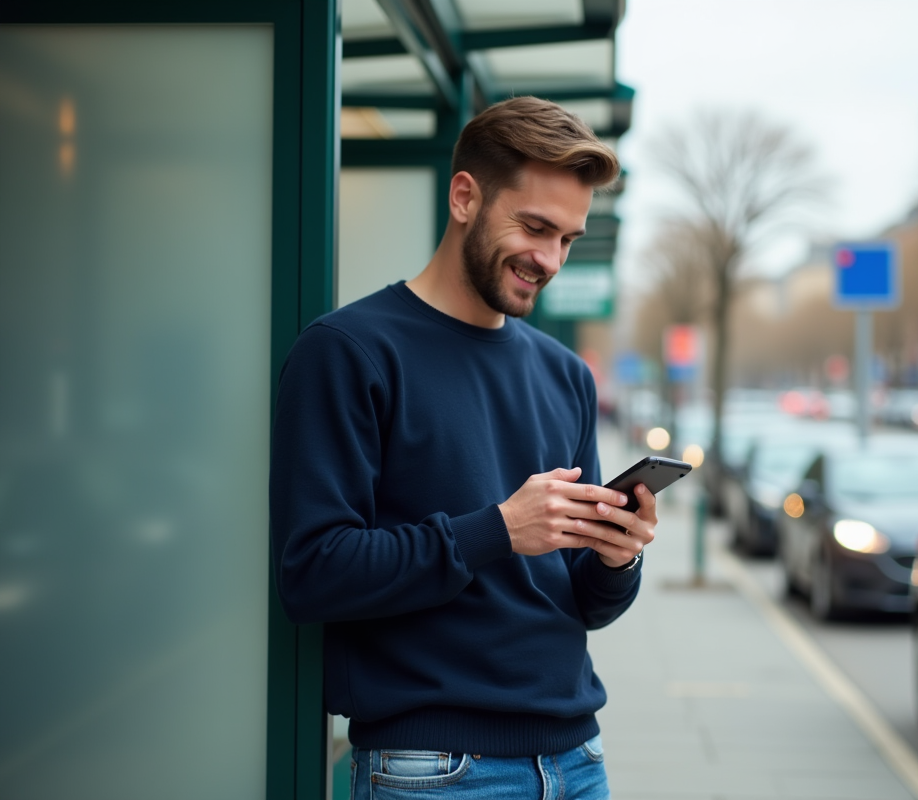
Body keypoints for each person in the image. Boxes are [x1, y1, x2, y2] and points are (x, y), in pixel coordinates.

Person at [269, 96, 656, 800]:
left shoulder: (565, 375)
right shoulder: (348, 353)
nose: (549, 260)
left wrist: (616, 556)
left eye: (567, 239)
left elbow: (582, 603)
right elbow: (313, 573)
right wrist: (498, 530)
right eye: (536, 228)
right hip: (434, 771)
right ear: (464, 196)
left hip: (577, 760)